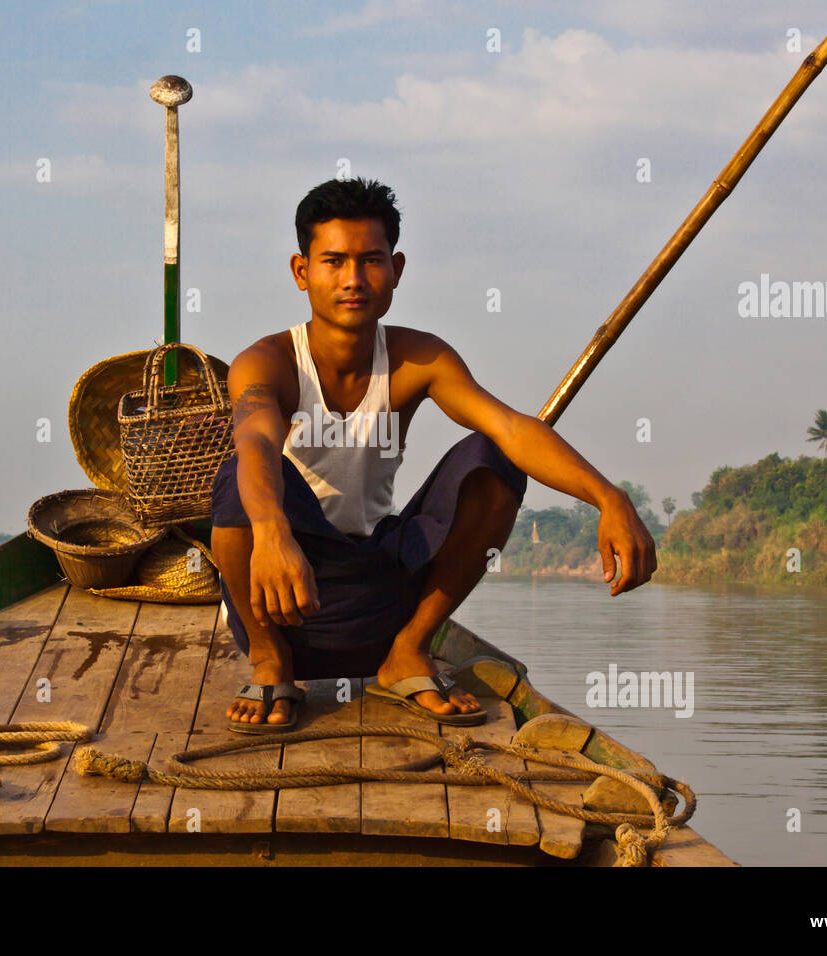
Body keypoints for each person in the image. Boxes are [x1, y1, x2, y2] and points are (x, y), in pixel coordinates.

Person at [210, 177, 656, 733]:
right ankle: (270, 660)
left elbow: (513, 428)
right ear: (302, 272)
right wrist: (272, 535)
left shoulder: (418, 357)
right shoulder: (267, 361)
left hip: (382, 594)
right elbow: (254, 441)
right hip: (282, 594)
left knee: (493, 457)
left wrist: (609, 499)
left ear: (396, 270)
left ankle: (408, 651)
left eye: (371, 261)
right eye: (334, 262)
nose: (353, 279)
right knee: (241, 474)